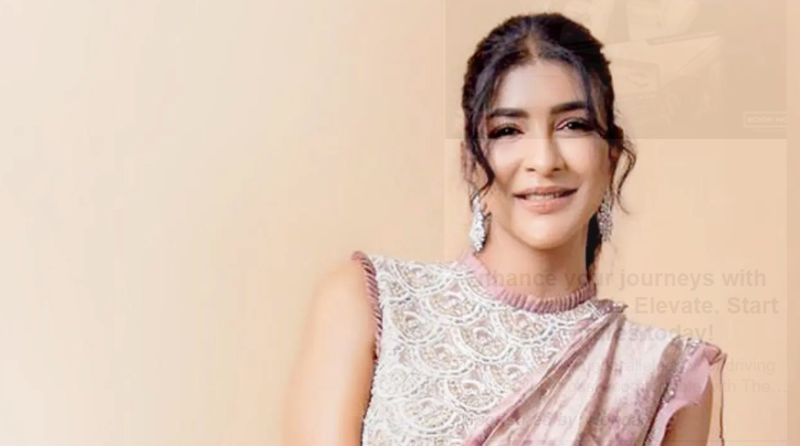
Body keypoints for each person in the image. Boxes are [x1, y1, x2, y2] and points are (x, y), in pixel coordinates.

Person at [283, 12, 726, 446]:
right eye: (508, 130)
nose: (544, 160)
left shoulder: (666, 373)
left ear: (610, 158)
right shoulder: (371, 302)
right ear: (471, 162)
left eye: (573, 125)